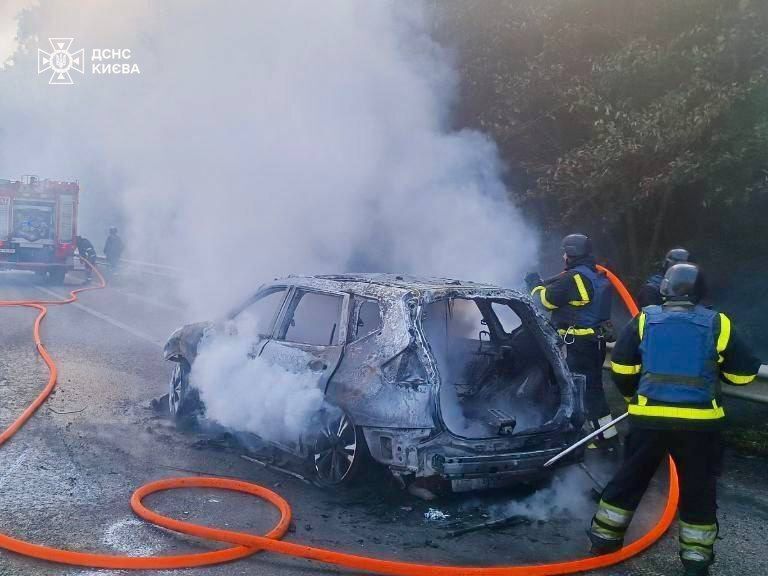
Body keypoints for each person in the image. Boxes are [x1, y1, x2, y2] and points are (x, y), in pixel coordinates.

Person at [589, 263, 761, 576]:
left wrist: (633, 400)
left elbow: (623, 368)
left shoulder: (645, 319)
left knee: (630, 478)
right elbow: (743, 374)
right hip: (699, 426)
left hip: (649, 421)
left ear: (665, 289)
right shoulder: (717, 323)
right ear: (700, 291)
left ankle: (603, 541)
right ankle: (695, 562)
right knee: (698, 489)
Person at [527, 233, 618, 451]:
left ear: (571, 253)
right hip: (594, 342)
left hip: (577, 344)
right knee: (592, 391)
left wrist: (533, 284)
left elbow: (543, 302)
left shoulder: (572, 279)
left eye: (565, 252)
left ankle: (597, 442)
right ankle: (604, 438)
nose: (563, 256)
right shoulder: (595, 276)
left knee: (575, 391)